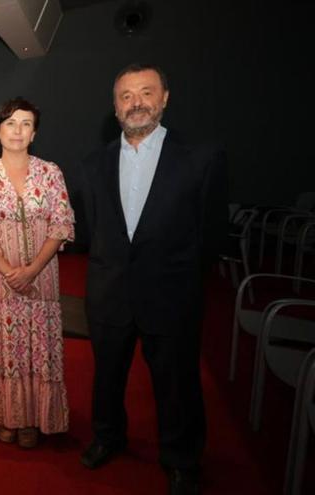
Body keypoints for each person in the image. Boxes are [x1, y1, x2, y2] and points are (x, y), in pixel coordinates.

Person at [78, 64, 227, 495]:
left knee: (177, 384)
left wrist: (179, 279)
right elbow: (92, 233)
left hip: (172, 295)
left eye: (146, 92)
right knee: (106, 377)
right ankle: (108, 437)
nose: (136, 102)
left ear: (164, 98)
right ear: (115, 106)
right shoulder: (92, 165)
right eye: (126, 95)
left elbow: (212, 235)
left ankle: (181, 459)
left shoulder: (201, 157)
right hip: (108, 294)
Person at [0, 97, 75, 448]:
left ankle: (32, 418)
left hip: (41, 280)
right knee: (3, 351)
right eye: (10, 123)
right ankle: (5, 416)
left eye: (26, 123)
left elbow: (62, 223)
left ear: (34, 132)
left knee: (37, 350)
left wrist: (33, 270)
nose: (18, 130)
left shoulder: (51, 172)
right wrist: (12, 272)